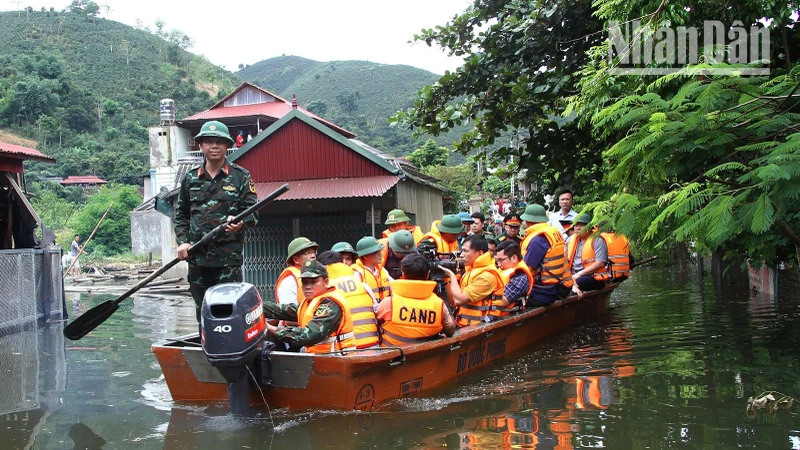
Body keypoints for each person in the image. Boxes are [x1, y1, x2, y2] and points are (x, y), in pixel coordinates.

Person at [175, 120, 258, 322]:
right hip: (198, 259)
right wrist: (183, 242)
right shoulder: (190, 178)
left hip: (228, 260)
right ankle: (204, 342)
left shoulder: (241, 177)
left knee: (230, 312)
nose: (214, 146)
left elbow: (253, 213)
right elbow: (181, 214)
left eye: (220, 142)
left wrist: (240, 223)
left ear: (227, 145)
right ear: (201, 145)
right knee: (203, 313)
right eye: (209, 141)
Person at [263, 260, 356, 354]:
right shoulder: (310, 303)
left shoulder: (330, 304)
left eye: (313, 282)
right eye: (305, 282)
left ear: (326, 282)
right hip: (319, 358)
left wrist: (272, 329)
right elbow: (282, 310)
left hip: (338, 359)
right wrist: (258, 306)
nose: (308, 287)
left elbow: (309, 335)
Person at [377, 253, 456, 345]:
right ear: (427, 275)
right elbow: (451, 330)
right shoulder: (439, 305)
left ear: (403, 275)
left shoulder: (388, 304)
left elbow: (374, 323)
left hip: (394, 353)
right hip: (428, 353)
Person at [317, 251, 379, 349]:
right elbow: (377, 312)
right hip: (373, 345)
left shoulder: (325, 290)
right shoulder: (363, 285)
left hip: (346, 349)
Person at [438, 235, 505, 327]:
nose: (462, 255)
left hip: (480, 328)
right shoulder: (470, 271)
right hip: (464, 325)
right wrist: (446, 280)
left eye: (465, 251)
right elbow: (454, 302)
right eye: (462, 251)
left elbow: (459, 299)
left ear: (480, 253)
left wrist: (452, 275)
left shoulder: (487, 276)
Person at [519, 204, 567, 306]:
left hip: (541, 292)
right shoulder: (552, 234)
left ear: (528, 222)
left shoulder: (537, 240)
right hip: (554, 287)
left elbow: (527, 268)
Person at [564, 214, 609, 295]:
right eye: (576, 225)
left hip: (593, 276)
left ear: (589, 227)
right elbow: (564, 259)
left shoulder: (597, 240)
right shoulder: (570, 240)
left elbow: (600, 263)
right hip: (573, 275)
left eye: (582, 225)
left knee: (577, 282)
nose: (578, 228)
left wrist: (578, 274)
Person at [276, 237, 319, 306]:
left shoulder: (317, 275)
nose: (313, 256)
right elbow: (288, 309)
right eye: (308, 253)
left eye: (314, 252)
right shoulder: (289, 281)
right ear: (296, 259)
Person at [353, 236, 393, 302]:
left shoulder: (382, 270)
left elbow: (395, 289)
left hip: (384, 307)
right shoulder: (357, 273)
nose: (380, 254)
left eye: (379, 251)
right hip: (368, 307)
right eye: (375, 252)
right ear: (365, 256)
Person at [496, 241, 533, 309]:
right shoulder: (502, 269)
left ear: (514, 258)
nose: (498, 264)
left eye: (501, 260)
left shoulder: (520, 278)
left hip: (505, 314)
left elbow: (501, 302)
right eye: (497, 260)